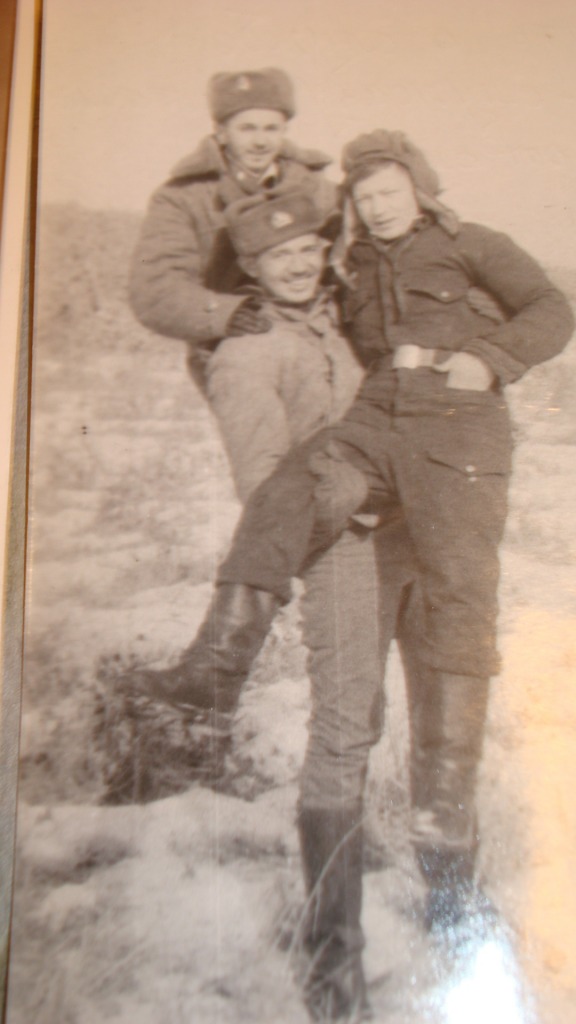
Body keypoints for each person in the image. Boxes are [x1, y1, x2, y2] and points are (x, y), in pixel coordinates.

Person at [132, 130, 574, 957]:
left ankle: (452, 902)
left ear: (420, 186)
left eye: (389, 188)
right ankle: (218, 666)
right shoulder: (339, 277)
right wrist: (221, 312)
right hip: (373, 451)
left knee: (456, 640)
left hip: (453, 433)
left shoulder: (465, 245)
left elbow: (552, 309)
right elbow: (258, 253)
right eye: (364, 195)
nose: (376, 205)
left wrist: (491, 358)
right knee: (296, 493)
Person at [133, 186, 426, 1022]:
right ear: (251, 269)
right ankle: (335, 966)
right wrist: (359, 498)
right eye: (276, 255)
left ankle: (397, 881)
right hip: (341, 544)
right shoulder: (247, 354)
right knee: (343, 727)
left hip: (410, 532)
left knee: (389, 715)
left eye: (308, 249)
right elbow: (268, 491)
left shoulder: (341, 319)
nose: (298, 264)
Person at [129, 67, 338, 389]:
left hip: (317, 338)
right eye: (247, 128)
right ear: (222, 132)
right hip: (234, 347)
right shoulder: (183, 196)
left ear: (285, 131)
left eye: (271, 128)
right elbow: (155, 288)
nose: (260, 141)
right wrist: (224, 313)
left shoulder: (314, 187)